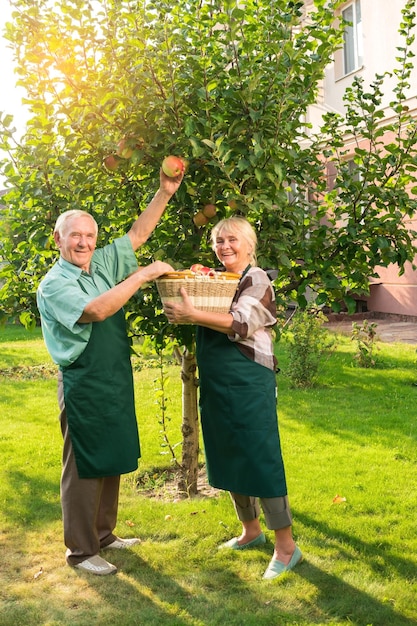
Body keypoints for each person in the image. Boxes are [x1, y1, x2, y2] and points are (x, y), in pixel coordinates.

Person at [36, 168, 183, 576]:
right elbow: (96, 311)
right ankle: (81, 552)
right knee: (84, 465)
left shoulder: (98, 265)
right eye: (75, 235)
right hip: (84, 379)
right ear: (58, 239)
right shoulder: (53, 284)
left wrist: (164, 193)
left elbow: (137, 235)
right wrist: (142, 274)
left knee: (111, 457)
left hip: (113, 374)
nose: (84, 242)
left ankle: (103, 534)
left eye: (89, 235)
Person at [163, 216, 302, 580]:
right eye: (219, 241)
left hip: (248, 381)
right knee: (228, 451)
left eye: (232, 240)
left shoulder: (256, 279)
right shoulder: (218, 281)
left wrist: (193, 313)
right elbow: (213, 304)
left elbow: (241, 323)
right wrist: (197, 288)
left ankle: (286, 547)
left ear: (249, 244)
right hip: (218, 381)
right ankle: (250, 530)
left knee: (260, 457)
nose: (225, 246)